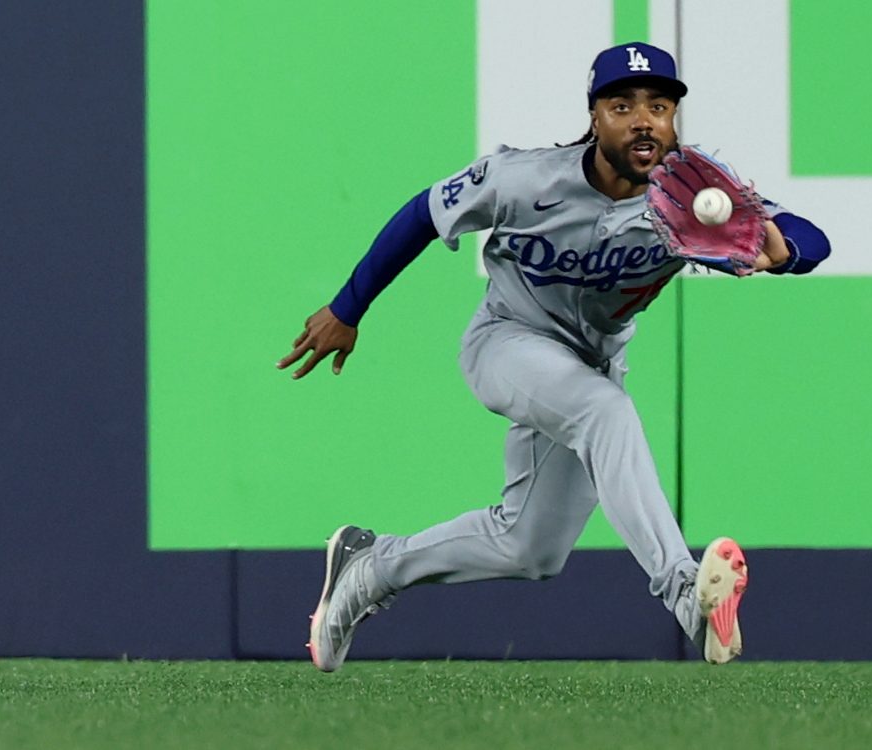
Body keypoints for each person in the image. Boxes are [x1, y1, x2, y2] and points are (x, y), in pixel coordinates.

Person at [278, 42, 830, 669]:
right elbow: (423, 215)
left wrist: (783, 252)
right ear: (595, 118)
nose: (643, 119)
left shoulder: (698, 202)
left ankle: (370, 569)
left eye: (659, 105)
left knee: (529, 548)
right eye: (622, 105)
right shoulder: (526, 177)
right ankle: (685, 593)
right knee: (605, 413)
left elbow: (813, 239)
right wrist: (349, 307)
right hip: (508, 342)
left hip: (589, 362)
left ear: (674, 119)